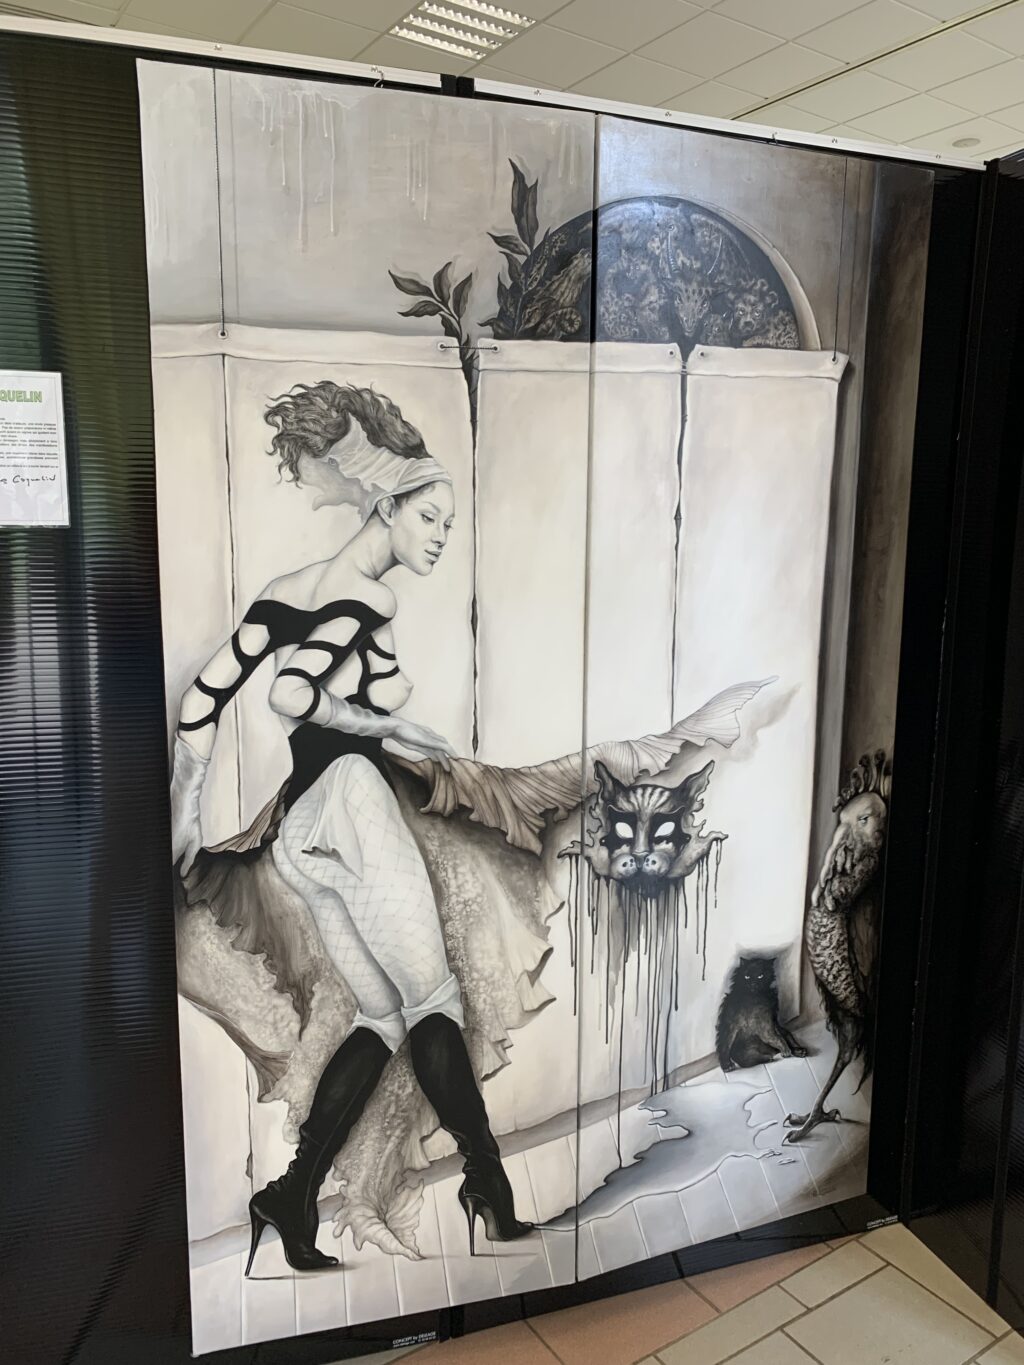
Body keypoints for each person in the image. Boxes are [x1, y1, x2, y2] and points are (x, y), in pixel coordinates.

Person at [168, 382, 533, 1275]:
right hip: (351, 800)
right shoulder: (369, 598)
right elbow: (296, 695)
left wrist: (183, 814)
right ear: (388, 504)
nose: (440, 535)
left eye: (449, 521)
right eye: (430, 516)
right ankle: (490, 1187)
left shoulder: (287, 591)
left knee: (379, 1015)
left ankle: (291, 1196)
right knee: (436, 1001)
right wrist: (389, 725)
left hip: (301, 830)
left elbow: (203, 702)